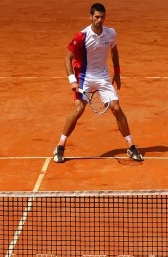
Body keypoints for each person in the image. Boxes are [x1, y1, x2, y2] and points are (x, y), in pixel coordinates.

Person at [53, 3, 143, 163]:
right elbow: (68, 58)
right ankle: (60, 146)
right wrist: (72, 80)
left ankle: (130, 146)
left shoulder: (111, 33)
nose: (100, 20)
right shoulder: (81, 36)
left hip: (102, 77)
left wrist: (117, 72)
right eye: (96, 17)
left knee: (116, 108)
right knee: (78, 109)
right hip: (83, 78)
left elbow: (114, 51)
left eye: (102, 17)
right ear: (91, 17)